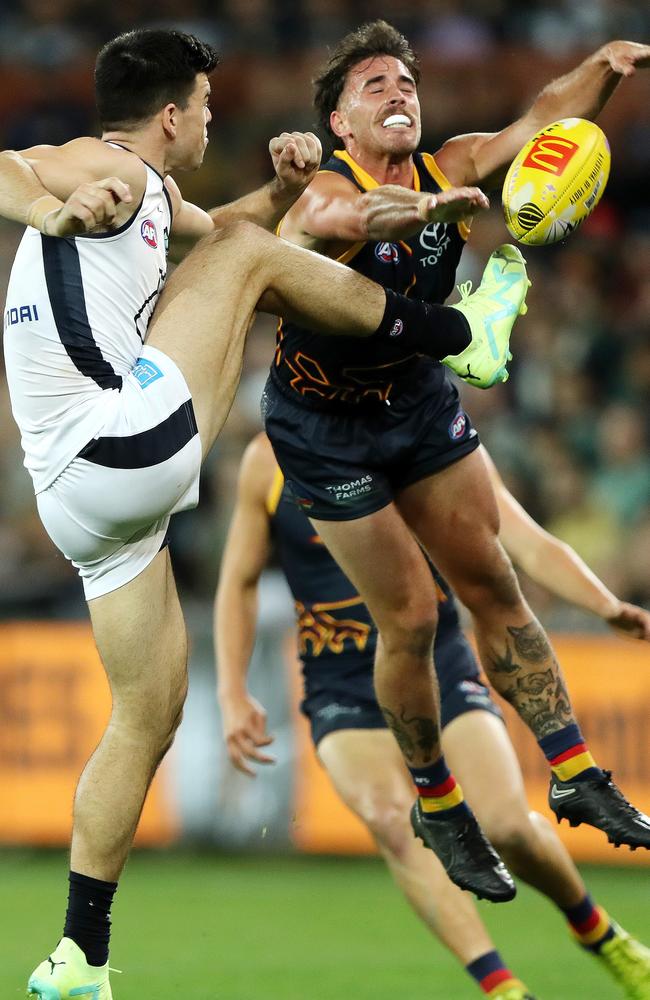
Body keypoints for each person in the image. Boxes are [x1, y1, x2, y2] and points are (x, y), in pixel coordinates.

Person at [0, 27, 526, 1000]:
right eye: (201, 106)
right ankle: (460, 331)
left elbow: (229, 230)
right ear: (168, 114)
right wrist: (53, 202)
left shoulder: (156, 202)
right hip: (119, 443)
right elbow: (11, 166)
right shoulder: (105, 162)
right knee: (250, 257)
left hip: (79, 499)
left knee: (146, 715)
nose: (211, 118)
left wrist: (286, 190)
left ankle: (80, 954)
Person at [262, 19, 650, 895]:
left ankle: (578, 774)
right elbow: (345, 217)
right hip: (323, 429)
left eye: (406, 81)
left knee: (495, 586)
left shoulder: (453, 163)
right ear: (340, 125)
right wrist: (426, 211)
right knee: (409, 620)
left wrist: (605, 68)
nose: (398, 92)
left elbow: (542, 120)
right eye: (374, 86)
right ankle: (439, 809)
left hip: (414, 401)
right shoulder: (326, 189)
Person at [216, 431, 650, 1000]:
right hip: (341, 681)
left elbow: (524, 540)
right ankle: (503, 988)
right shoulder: (267, 461)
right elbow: (239, 580)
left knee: (508, 827)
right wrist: (231, 691)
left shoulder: (425, 431)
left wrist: (605, 604)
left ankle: (601, 934)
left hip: (439, 665)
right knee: (393, 819)